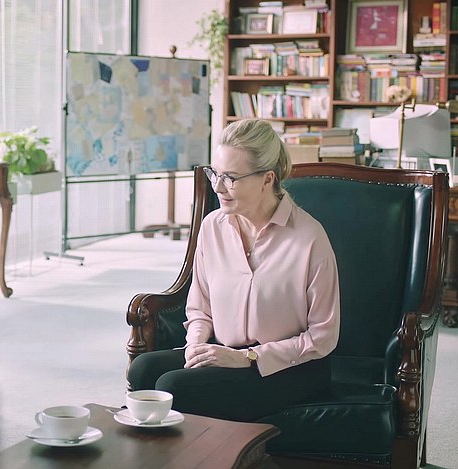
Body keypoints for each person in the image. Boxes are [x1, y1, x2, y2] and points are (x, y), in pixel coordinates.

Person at [127, 119, 340, 422]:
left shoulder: (309, 238)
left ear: (267, 179)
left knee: (174, 387)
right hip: (224, 350)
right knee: (144, 369)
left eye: (231, 178)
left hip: (289, 366)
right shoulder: (213, 227)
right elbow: (200, 308)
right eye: (215, 173)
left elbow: (323, 337)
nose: (217, 186)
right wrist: (196, 345)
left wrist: (247, 357)